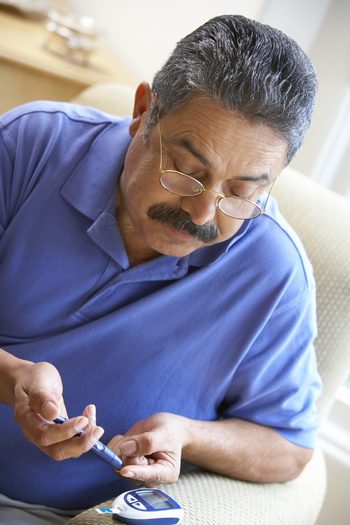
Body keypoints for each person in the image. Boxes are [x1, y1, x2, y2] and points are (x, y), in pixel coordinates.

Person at [0, 14, 321, 524]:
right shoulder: (27, 146)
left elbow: (290, 448)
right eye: (188, 171)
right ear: (143, 111)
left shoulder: (273, 272)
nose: (202, 215)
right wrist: (11, 375)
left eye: (241, 193)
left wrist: (189, 434)